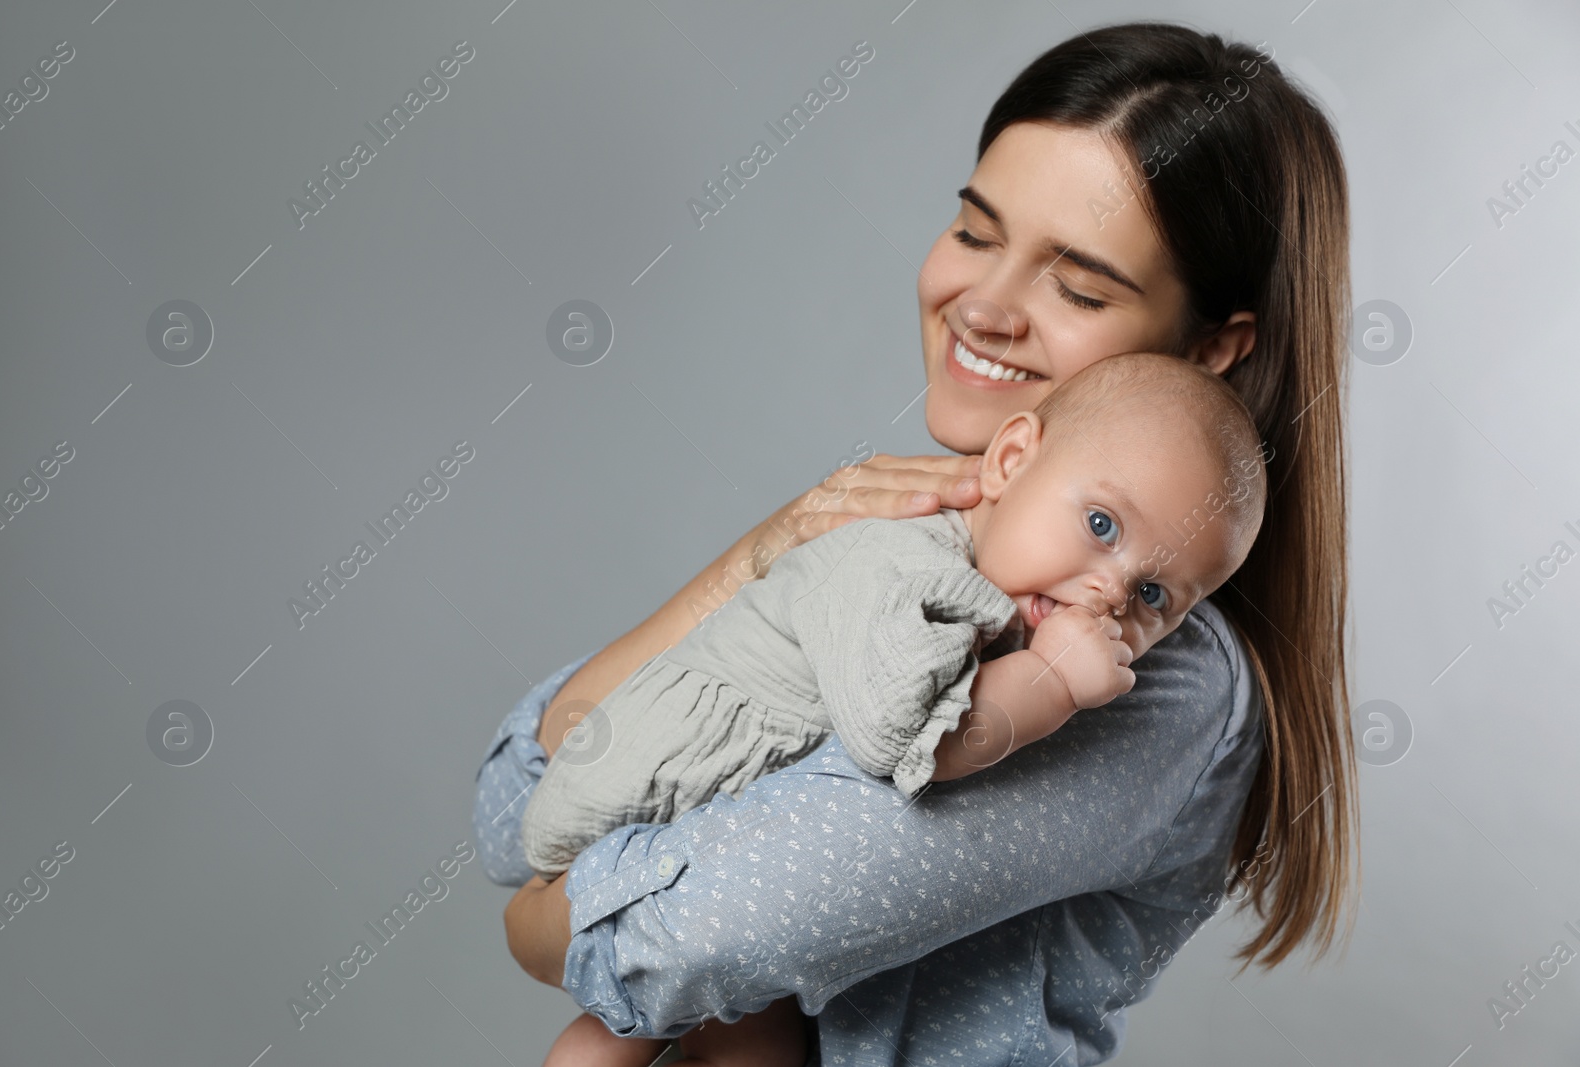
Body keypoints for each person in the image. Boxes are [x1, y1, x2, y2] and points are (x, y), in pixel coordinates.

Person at [476, 21, 1358, 1066]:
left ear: (1214, 348)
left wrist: (539, 920)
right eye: (977, 233)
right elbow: (521, 808)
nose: (982, 306)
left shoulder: (1142, 667)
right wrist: (759, 560)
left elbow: (690, 938)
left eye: (1078, 287)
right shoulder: (901, 548)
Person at [521, 353, 1269, 1067]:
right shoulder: (907, 566)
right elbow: (907, 740)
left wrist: (546, 924)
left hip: (673, 832)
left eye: (1153, 596)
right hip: (658, 792)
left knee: (742, 1044)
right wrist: (1051, 677)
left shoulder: (1183, 685)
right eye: (1102, 526)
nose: (1109, 590)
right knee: (640, 1032)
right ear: (1010, 461)